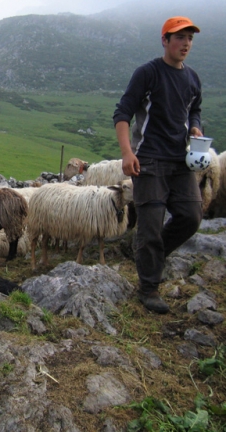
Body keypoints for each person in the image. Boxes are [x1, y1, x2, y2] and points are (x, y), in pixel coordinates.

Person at [113, 16, 204, 314]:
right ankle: (149, 287)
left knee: (191, 216)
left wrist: (195, 127)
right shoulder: (148, 73)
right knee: (150, 227)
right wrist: (128, 153)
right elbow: (123, 113)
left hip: (181, 161)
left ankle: (151, 256)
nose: (186, 43)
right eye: (179, 38)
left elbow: (195, 110)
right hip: (150, 159)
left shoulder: (192, 78)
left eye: (189, 38)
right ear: (165, 41)